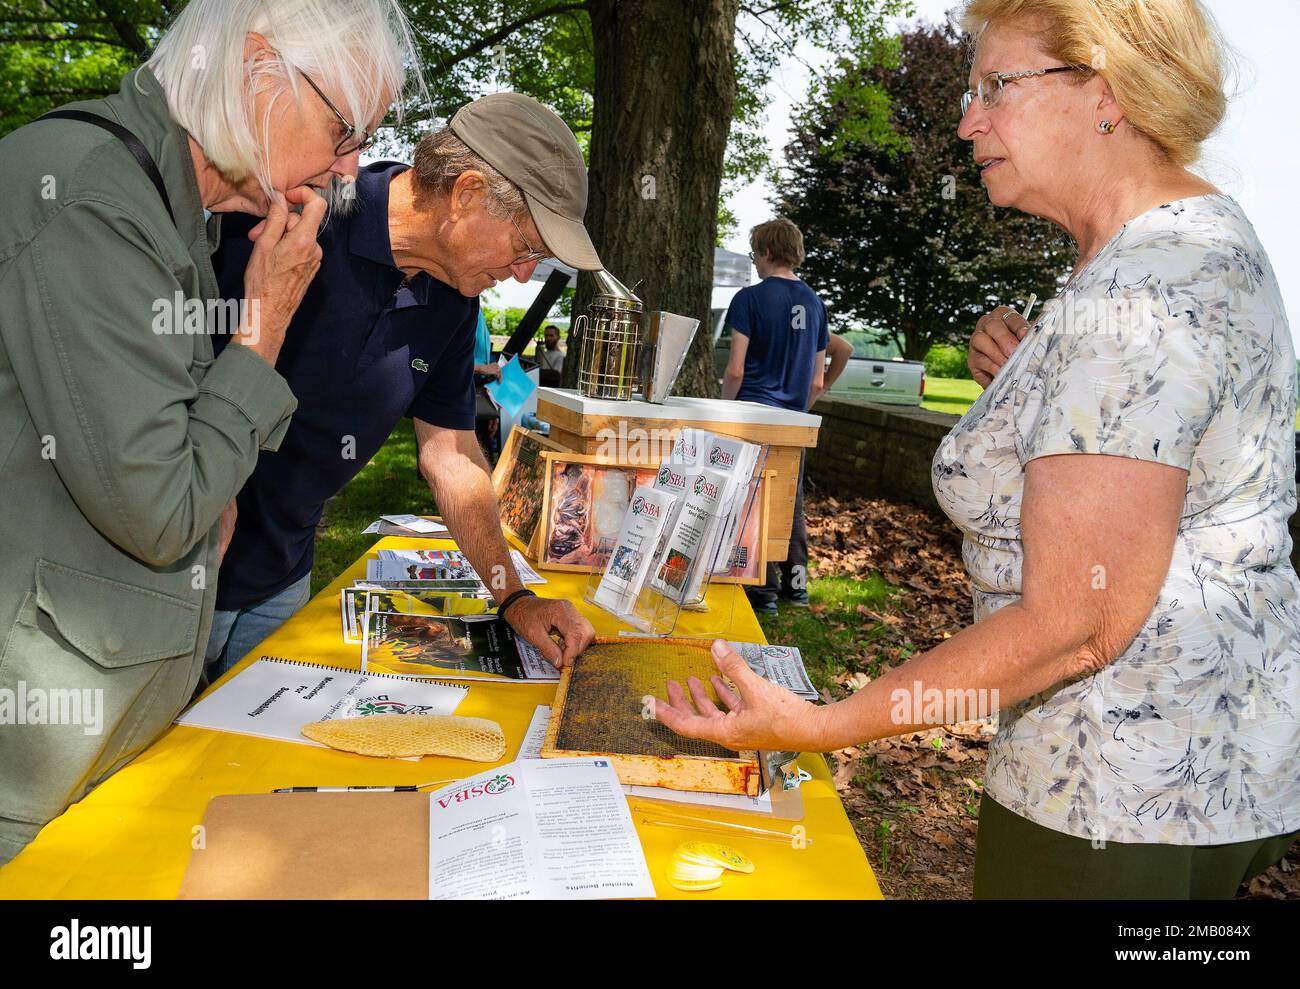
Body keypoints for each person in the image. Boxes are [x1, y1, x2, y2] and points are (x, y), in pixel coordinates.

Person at [653, 0, 1300, 899]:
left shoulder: (1136, 292)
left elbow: (1078, 624)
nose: (967, 122)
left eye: (996, 86)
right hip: (1212, 760)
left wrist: (820, 724)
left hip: (1112, 795)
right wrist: (1038, 370)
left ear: (1103, 90)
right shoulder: (1183, 246)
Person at [0, 0, 416, 864]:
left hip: (101, 751)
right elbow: (165, 509)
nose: (350, 169)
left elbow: (193, 483)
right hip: (31, 780)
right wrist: (264, 323)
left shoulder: (170, 210)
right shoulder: (90, 196)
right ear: (257, 70)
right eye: (345, 131)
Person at [205, 93, 599, 680]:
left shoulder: (455, 302)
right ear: (466, 195)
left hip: (283, 575)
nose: (524, 273)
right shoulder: (289, 210)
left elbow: (452, 456)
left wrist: (513, 598)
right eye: (527, 247)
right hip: (182, 569)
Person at [722, 218, 828, 613]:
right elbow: (816, 382)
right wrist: (798, 413)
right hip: (792, 420)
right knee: (790, 502)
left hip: (752, 414)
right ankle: (796, 586)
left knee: (751, 498)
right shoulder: (816, 303)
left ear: (766, 251)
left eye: (754, 253)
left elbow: (735, 370)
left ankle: (761, 591)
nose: (755, 261)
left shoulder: (749, 299)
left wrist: (726, 410)